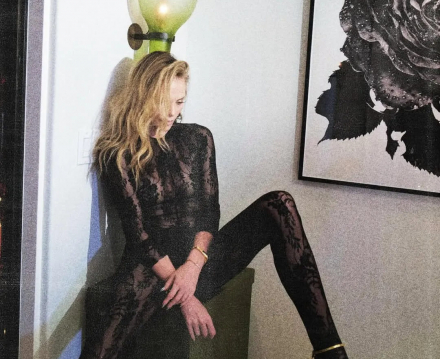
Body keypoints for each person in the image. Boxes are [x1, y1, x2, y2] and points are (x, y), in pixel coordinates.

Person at [79, 52, 348, 359]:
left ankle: (330, 350)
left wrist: (193, 267)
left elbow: (209, 213)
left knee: (279, 203)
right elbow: (138, 235)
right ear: (142, 96)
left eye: (179, 102)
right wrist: (186, 297)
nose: (172, 112)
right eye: (164, 102)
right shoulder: (117, 153)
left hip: (201, 259)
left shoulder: (198, 138)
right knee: (102, 347)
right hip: (153, 266)